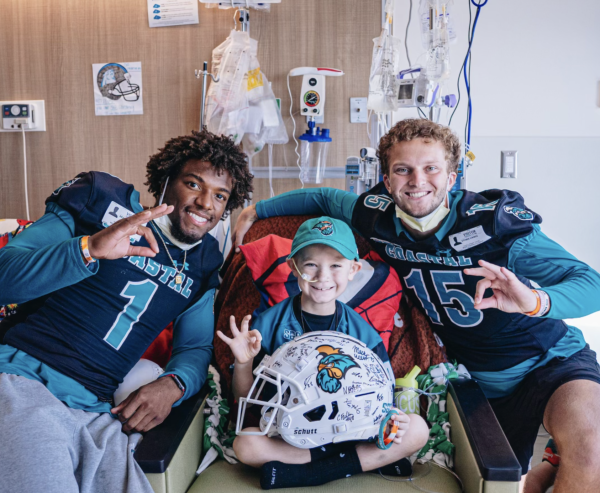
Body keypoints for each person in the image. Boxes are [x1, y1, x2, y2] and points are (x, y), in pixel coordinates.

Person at [232, 119, 600, 493]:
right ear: (388, 180)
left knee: (590, 452)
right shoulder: (378, 218)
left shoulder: (493, 227)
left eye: (431, 168)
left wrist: (535, 300)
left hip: (551, 359)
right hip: (475, 378)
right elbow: (324, 198)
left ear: (452, 177)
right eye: (402, 170)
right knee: (514, 481)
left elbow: (592, 284)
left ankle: (561, 458)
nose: (417, 180)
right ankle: (550, 466)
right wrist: (255, 209)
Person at [0, 130, 253, 493]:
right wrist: (88, 249)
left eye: (220, 196)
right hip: (25, 383)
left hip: (98, 412)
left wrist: (173, 385)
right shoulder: (100, 202)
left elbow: (195, 346)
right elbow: (5, 276)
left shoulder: (203, 262)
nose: (205, 204)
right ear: (165, 180)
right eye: (193, 184)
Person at [218, 217, 429, 490]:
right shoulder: (266, 324)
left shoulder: (364, 333)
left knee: (416, 429)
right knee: (246, 445)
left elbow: (382, 397)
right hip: (288, 432)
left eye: (336, 265)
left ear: (353, 269)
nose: (323, 277)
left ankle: (308, 473)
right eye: (311, 265)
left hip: (351, 432)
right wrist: (243, 362)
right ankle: (366, 462)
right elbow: (246, 399)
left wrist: (393, 420)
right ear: (293, 267)